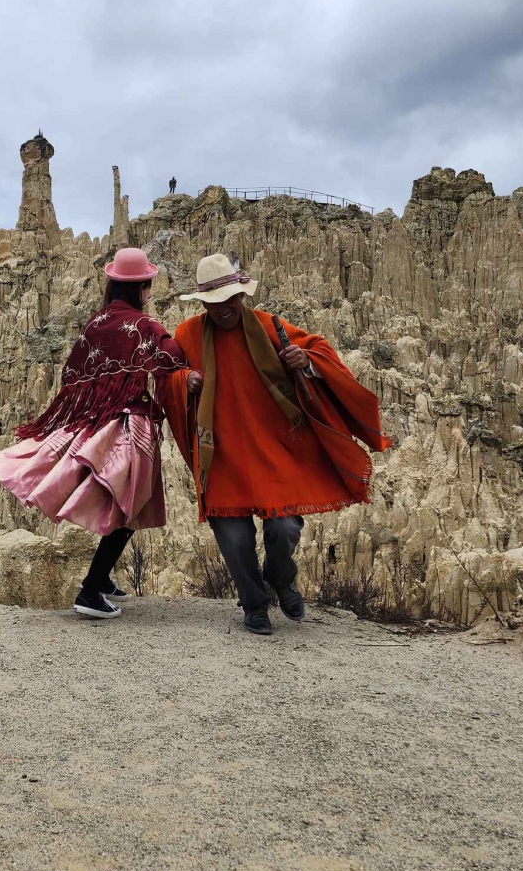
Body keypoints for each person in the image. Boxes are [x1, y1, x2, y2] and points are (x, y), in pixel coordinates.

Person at [158, 253, 392, 636]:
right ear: (203, 304)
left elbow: (319, 350)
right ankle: (254, 604)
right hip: (223, 457)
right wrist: (184, 381)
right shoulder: (187, 335)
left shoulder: (270, 326)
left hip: (276, 451)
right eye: (214, 303)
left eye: (230, 300)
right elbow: (166, 376)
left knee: (284, 529)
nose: (223, 309)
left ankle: (281, 580)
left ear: (242, 296)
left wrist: (305, 359)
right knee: (234, 540)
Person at [0, 247, 190, 619]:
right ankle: (91, 589)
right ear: (142, 288)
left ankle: (102, 580)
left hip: (92, 420)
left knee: (117, 499)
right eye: (148, 285)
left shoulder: (96, 323)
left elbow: (74, 374)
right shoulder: (144, 326)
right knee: (130, 503)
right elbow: (173, 357)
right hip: (127, 425)